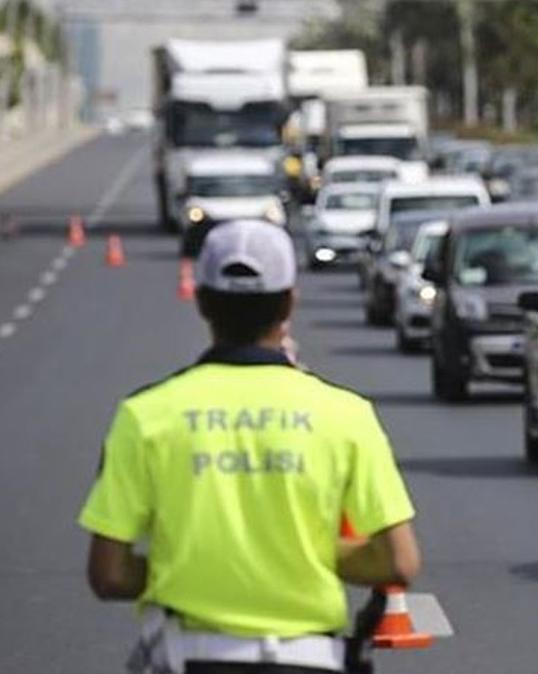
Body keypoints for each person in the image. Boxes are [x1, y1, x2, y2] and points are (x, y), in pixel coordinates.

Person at [79, 219, 421, 674]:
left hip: (190, 657)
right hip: (310, 660)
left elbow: (109, 574)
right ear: (289, 303)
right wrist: (302, 553)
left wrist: (187, 565)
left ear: (201, 301)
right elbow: (398, 562)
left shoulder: (145, 415)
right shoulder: (346, 415)